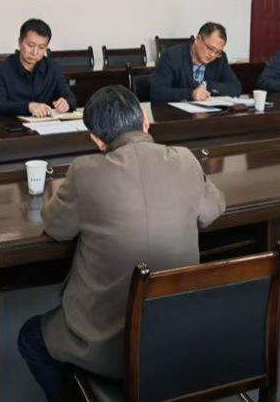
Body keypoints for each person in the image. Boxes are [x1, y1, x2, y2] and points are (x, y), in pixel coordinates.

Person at [17, 86, 225, 401]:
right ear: (145, 121)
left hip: (107, 345)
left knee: (30, 338)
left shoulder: (85, 171)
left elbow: (55, 226)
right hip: (178, 333)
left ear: (97, 140)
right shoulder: (184, 159)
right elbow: (214, 208)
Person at [0, 18, 77, 117]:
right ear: (19, 42)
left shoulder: (53, 68)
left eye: (41, 47)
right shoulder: (1, 71)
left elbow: (70, 98)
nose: (35, 52)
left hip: (47, 123)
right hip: (13, 124)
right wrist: (28, 107)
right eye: (30, 45)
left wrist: (66, 103)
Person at [150, 22, 242, 102]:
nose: (212, 55)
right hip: (175, 114)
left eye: (218, 52)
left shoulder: (220, 59)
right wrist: (191, 94)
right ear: (198, 39)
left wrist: (206, 85)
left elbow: (236, 88)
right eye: (210, 48)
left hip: (208, 114)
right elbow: (157, 92)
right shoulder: (171, 56)